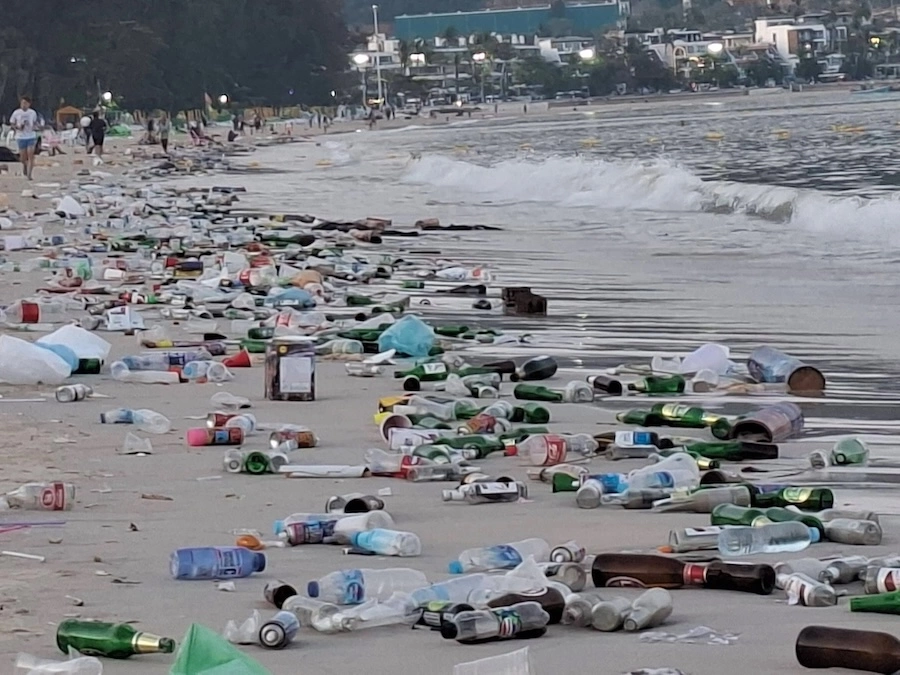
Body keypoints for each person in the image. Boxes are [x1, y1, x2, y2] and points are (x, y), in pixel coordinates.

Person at [10, 96, 39, 179]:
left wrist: (36, 127)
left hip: (31, 136)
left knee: (31, 155)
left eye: (25, 103)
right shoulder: (16, 113)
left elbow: (35, 123)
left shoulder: (32, 113)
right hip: (20, 136)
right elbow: (12, 123)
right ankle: (24, 165)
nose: (23, 105)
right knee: (22, 157)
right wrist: (18, 127)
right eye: (22, 103)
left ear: (29, 104)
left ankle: (29, 175)